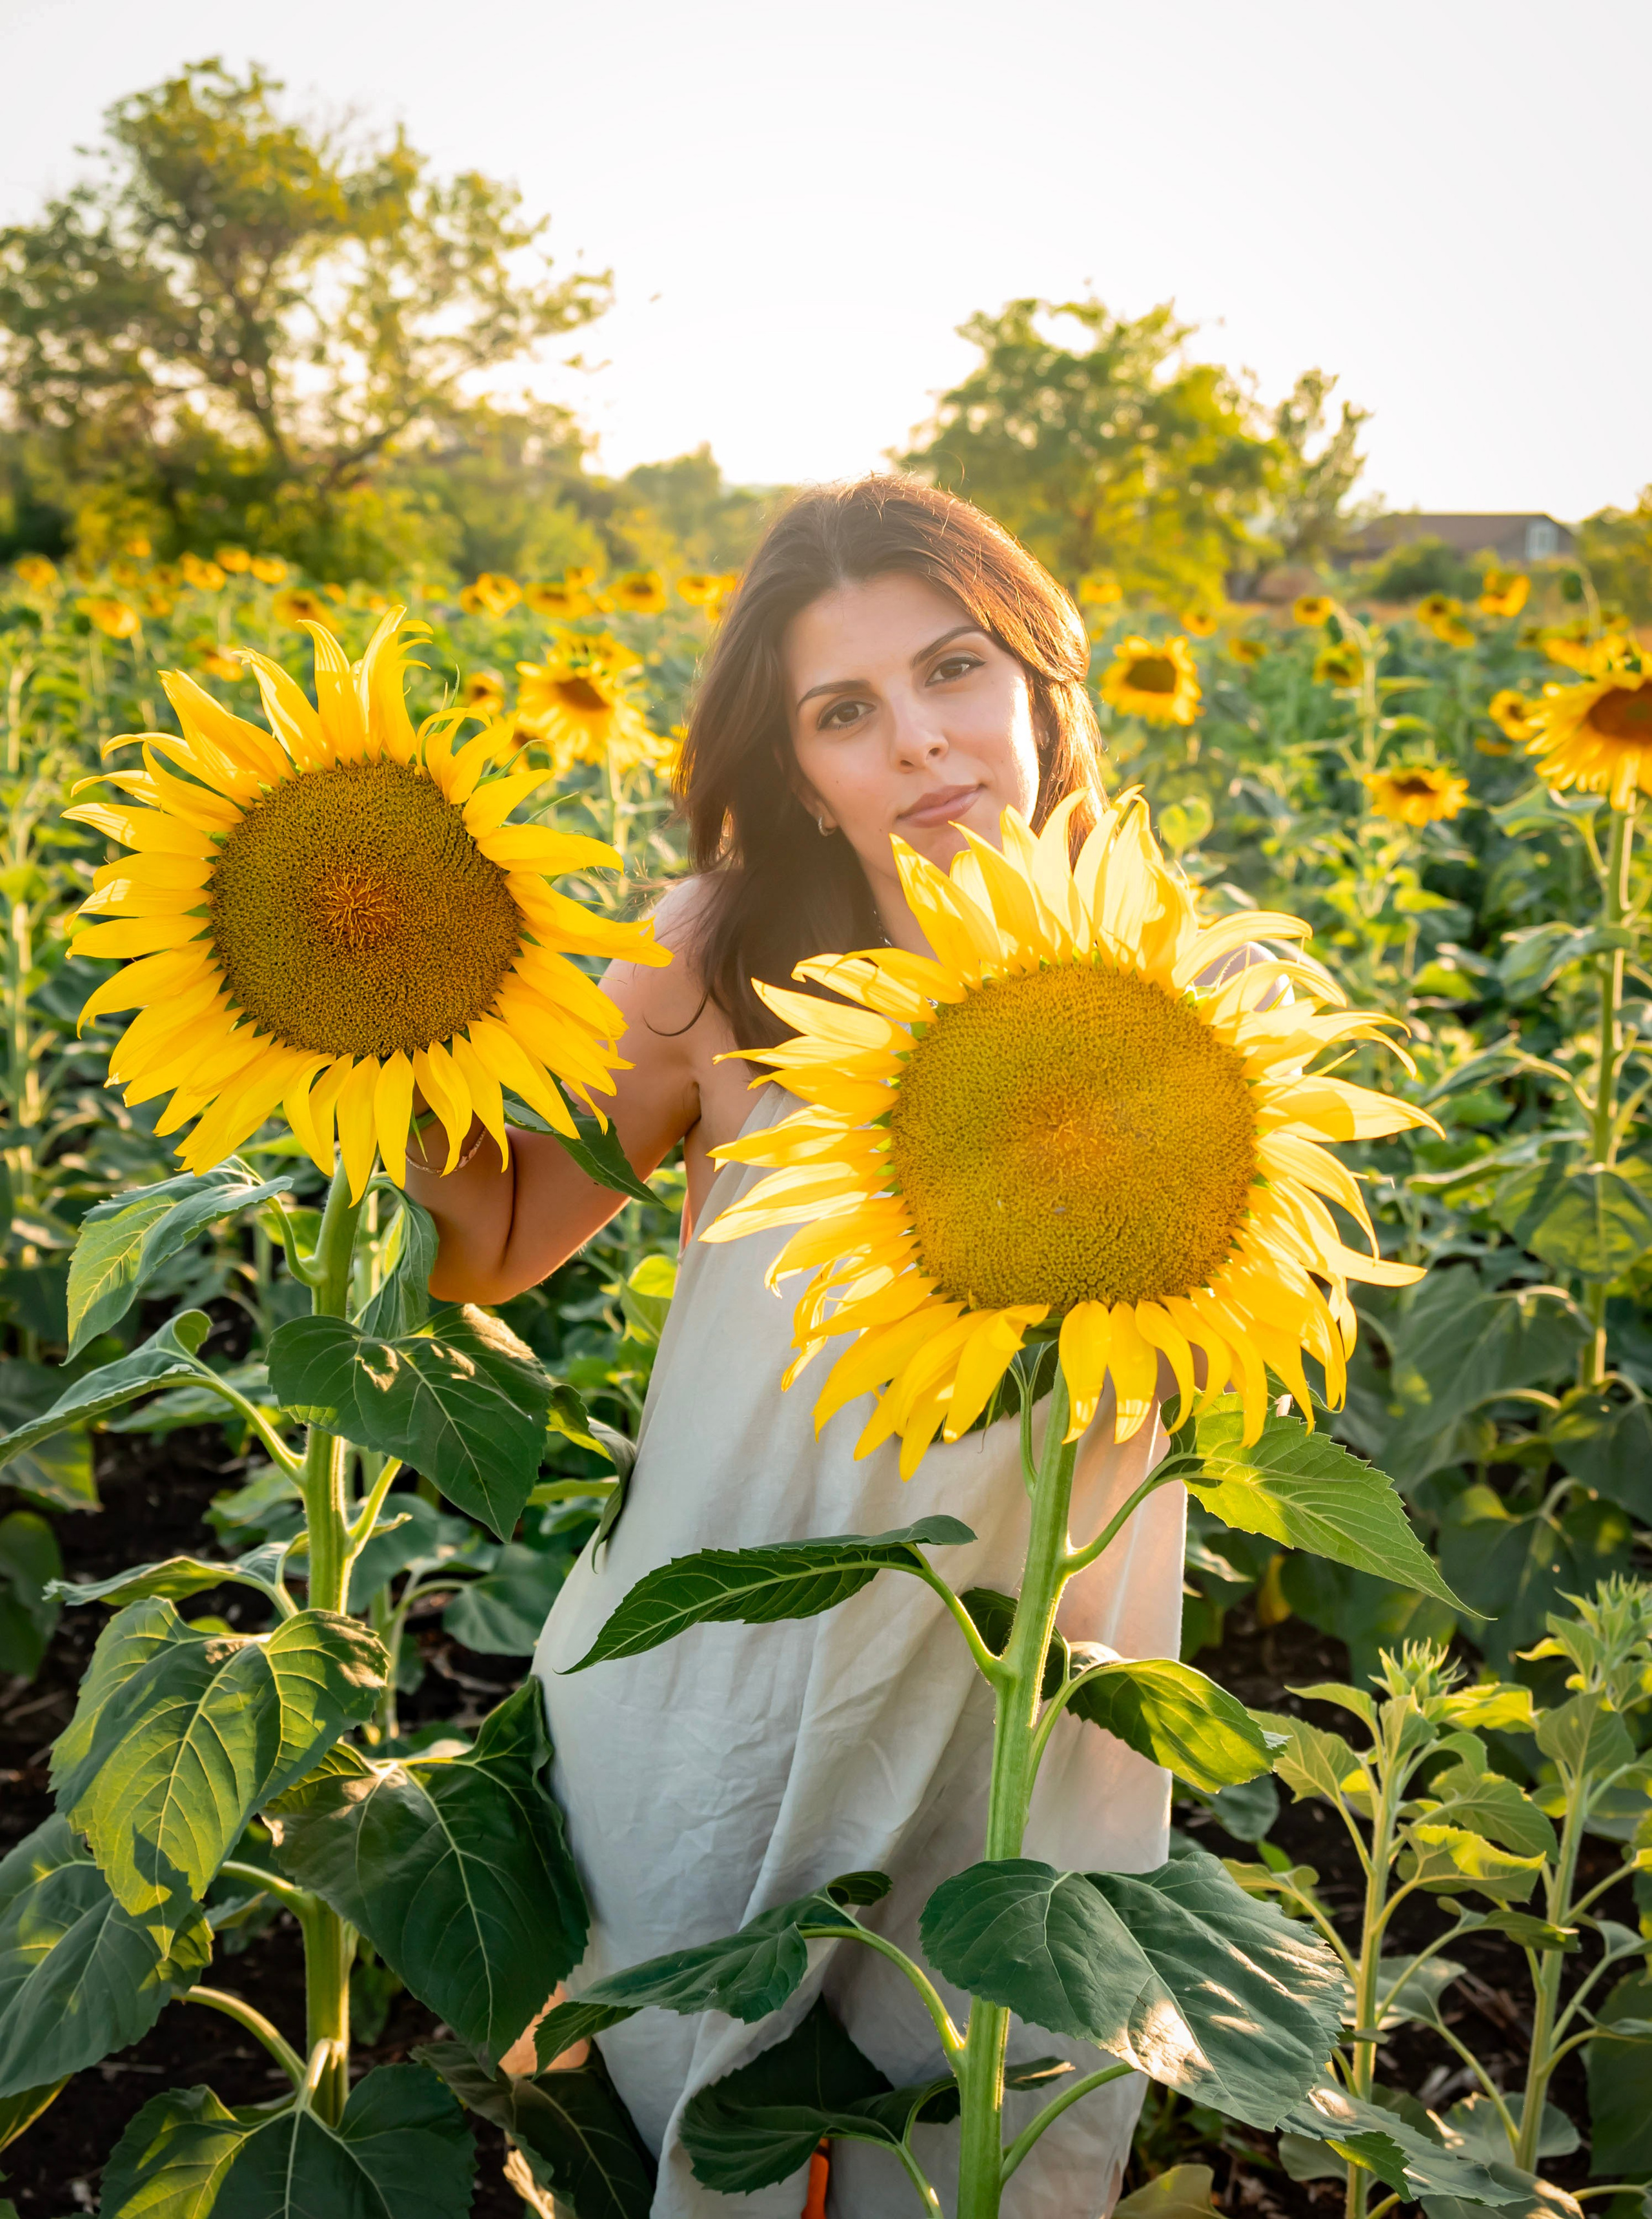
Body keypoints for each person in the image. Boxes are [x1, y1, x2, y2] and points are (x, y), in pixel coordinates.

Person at [409, 477, 1185, 2218]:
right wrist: (386, 1024)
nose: (920, 742)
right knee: (698, 2133)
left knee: (964, 2141)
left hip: (1013, 1711)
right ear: (800, 762)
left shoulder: (1162, 995)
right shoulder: (726, 958)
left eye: (955, 671)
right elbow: (501, 1236)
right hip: (731, 1689)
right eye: (847, 712)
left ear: (1041, 686)